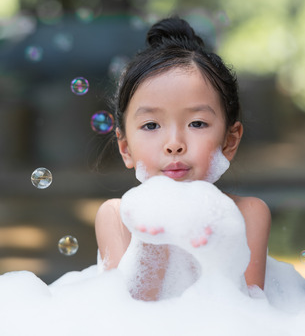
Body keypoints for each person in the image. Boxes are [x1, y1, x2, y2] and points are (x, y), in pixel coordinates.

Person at [95, 16, 271, 298]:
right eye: (151, 125)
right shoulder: (115, 217)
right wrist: (155, 239)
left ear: (229, 141)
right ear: (125, 148)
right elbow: (127, 316)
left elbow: (247, 314)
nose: (174, 144)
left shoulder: (248, 214)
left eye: (197, 123)